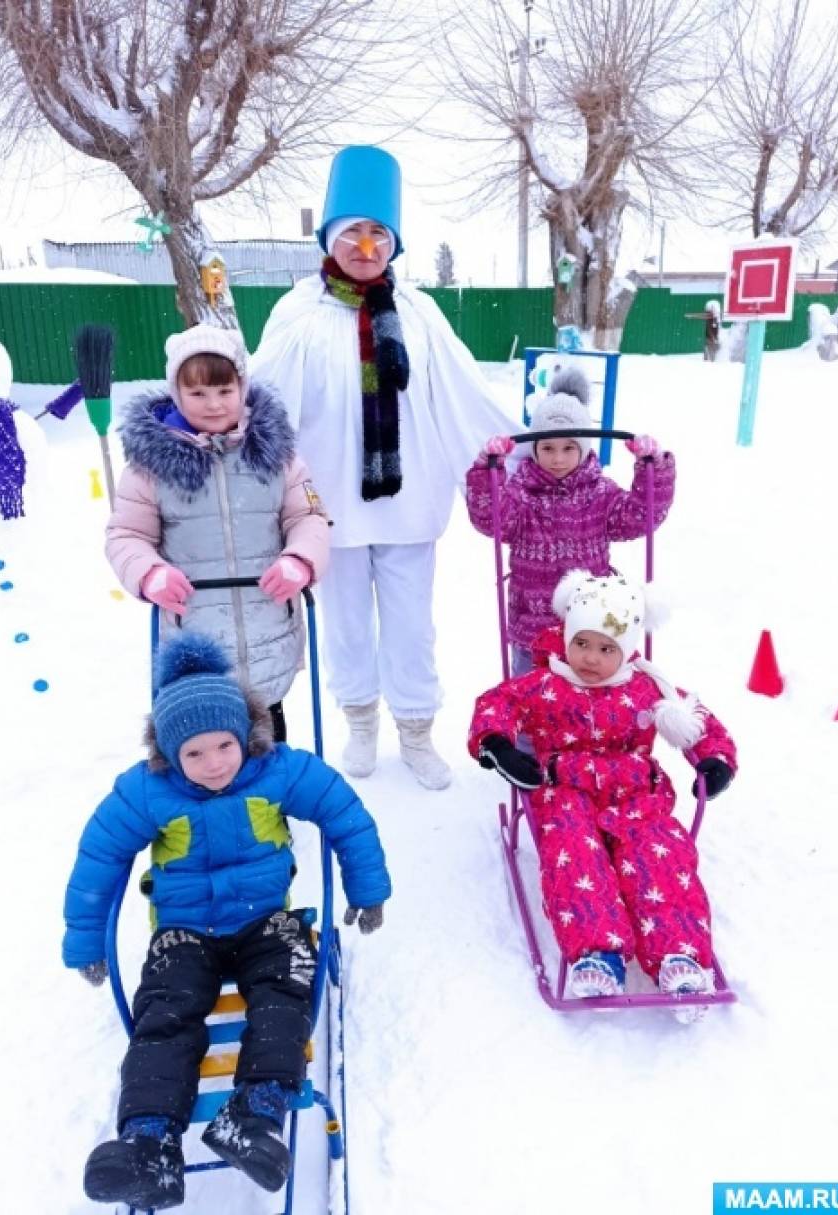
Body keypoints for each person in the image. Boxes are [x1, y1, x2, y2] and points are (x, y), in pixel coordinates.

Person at [63, 634, 391, 1210]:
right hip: (185, 932)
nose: (213, 764)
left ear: (246, 736)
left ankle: (254, 1114)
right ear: (169, 754)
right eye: (193, 753)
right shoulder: (146, 791)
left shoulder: (280, 772)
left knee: (284, 992)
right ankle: (149, 1144)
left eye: (223, 746)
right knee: (165, 1014)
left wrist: (368, 888)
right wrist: (86, 940)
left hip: (267, 921)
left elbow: (346, 816)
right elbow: (99, 858)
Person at [247, 145, 518, 790]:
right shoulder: (299, 311)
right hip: (327, 505)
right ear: (329, 240)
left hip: (408, 500)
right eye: (352, 234)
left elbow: (462, 388)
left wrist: (527, 443)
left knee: (411, 626)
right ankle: (361, 721)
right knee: (344, 625)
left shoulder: (419, 312)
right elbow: (264, 394)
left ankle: (418, 731)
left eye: (378, 235)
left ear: (393, 243)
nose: (366, 248)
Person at [468, 571, 736, 1007]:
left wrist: (714, 759)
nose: (590, 658)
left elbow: (698, 719)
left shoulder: (647, 687)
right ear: (567, 637)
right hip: (565, 790)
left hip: (636, 793)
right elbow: (496, 704)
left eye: (606, 648)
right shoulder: (545, 683)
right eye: (582, 643)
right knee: (574, 855)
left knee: (660, 855)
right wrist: (498, 743)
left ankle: (679, 954)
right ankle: (597, 953)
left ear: (627, 650)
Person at [106, 323, 330, 741]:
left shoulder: (276, 454)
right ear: (177, 394)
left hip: (268, 623)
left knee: (266, 741)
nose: (213, 405)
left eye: (225, 391)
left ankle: (270, 806)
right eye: (198, 394)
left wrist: (299, 558)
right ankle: (211, 807)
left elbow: (308, 517)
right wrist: (149, 572)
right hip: (194, 633)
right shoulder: (150, 466)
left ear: (242, 388)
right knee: (209, 744)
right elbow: (126, 535)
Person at [466, 366, 676, 677]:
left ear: (584, 448)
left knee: (586, 710)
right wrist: (487, 474)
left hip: (590, 631)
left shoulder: (600, 493)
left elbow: (641, 516)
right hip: (531, 632)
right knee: (531, 707)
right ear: (534, 449)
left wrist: (653, 469)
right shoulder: (521, 494)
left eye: (568, 448)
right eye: (548, 448)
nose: (558, 458)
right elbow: (491, 518)